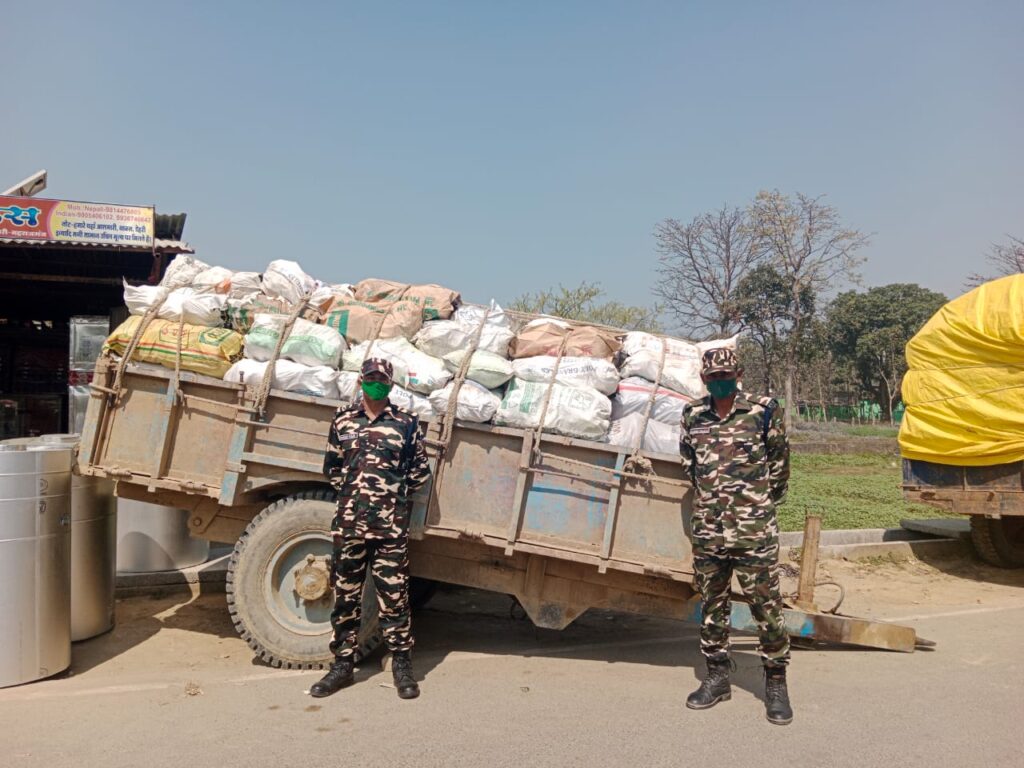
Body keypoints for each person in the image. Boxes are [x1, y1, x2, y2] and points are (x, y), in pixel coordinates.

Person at [679, 348, 793, 725]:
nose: (719, 381)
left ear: (739, 373)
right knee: (713, 606)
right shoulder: (692, 415)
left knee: (767, 608)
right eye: (712, 377)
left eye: (725, 374)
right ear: (703, 379)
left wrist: (757, 505)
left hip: (754, 531)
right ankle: (716, 678)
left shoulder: (762, 411)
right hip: (709, 530)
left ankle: (776, 683)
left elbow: (779, 465)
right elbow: (690, 467)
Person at [311, 357, 431, 700]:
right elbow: (332, 467)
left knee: (394, 600)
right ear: (361, 381)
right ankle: (342, 666)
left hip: (389, 528)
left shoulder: (406, 423)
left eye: (382, 378)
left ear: (390, 384)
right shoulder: (344, 419)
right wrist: (354, 495)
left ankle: (403, 666)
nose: (376, 382)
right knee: (346, 597)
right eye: (371, 377)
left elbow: (419, 473)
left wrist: (391, 495)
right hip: (349, 526)